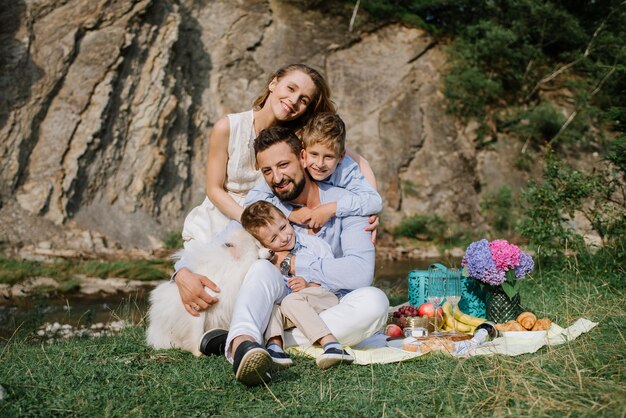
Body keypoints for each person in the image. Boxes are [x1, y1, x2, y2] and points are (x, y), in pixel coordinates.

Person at [174, 64, 378, 317]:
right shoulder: (229, 127)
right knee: (199, 288)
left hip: (273, 214)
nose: (293, 101)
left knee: (258, 287)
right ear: (273, 83)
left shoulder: (299, 138)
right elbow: (214, 189)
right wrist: (257, 222)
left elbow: (357, 162)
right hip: (228, 215)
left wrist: (365, 209)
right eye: (290, 88)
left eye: (303, 100)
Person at [221, 126, 389, 386]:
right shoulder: (268, 208)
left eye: (283, 165)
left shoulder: (347, 202)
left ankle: (269, 340)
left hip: (327, 302)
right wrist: (182, 271)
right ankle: (242, 343)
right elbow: (225, 241)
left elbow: (360, 274)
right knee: (261, 270)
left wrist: (295, 263)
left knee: (375, 301)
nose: (277, 177)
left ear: (302, 158)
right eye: (268, 171)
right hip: (280, 297)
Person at [240, 201, 355, 370]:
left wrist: (309, 284)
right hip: (291, 309)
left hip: (323, 297)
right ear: (263, 245)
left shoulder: (315, 245)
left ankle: (331, 345)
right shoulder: (267, 262)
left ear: (287, 219)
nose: (284, 237)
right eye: (273, 238)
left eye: (283, 227)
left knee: (290, 301)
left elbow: (333, 279)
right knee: (271, 306)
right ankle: (275, 349)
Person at [264, 112, 382, 231]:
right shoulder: (296, 163)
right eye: (314, 154)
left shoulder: (346, 170)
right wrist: (291, 213)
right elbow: (256, 196)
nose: (320, 164)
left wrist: (331, 209)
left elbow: (374, 201)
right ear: (303, 152)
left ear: (341, 157)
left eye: (328, 157)